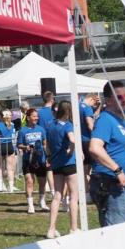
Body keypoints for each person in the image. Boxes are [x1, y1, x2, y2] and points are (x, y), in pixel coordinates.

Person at [88, 81, 125, 226]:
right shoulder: (105, 120)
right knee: (118, 240)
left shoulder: (122, 121)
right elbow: (95, 147)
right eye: (119, 97)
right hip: (115, 188)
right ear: (107, 100)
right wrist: (117, 170)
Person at [46, 100, 79, 237]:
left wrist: (49, 156)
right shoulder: (68, 125)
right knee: (73, 196)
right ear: (68, 111)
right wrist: (71, 150)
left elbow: (47, 144)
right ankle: (73, 228)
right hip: (69, 163)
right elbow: (72, 139)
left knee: (57, 196)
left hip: (56, 163)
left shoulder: (50, 125)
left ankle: (51, 229)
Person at [17, 108, 48, 214]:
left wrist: (47, 156)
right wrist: (26, 147)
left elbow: (45, 144)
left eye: (37, 116)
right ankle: (30, 205)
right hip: (28, 160)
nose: (36, 118)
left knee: (42, 182)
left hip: (40, 160)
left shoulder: (41, 129)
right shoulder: (23, 131)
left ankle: (42, 201)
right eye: (34, 116)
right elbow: (19, 144)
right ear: (28, 117)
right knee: (29, 182)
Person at [0, 109, 18, 192]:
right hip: (9, 146)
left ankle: (0, 185)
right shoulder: (12, 125)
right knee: (10, 168)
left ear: (1, 116)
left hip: (1, 146)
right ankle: (11, 187)